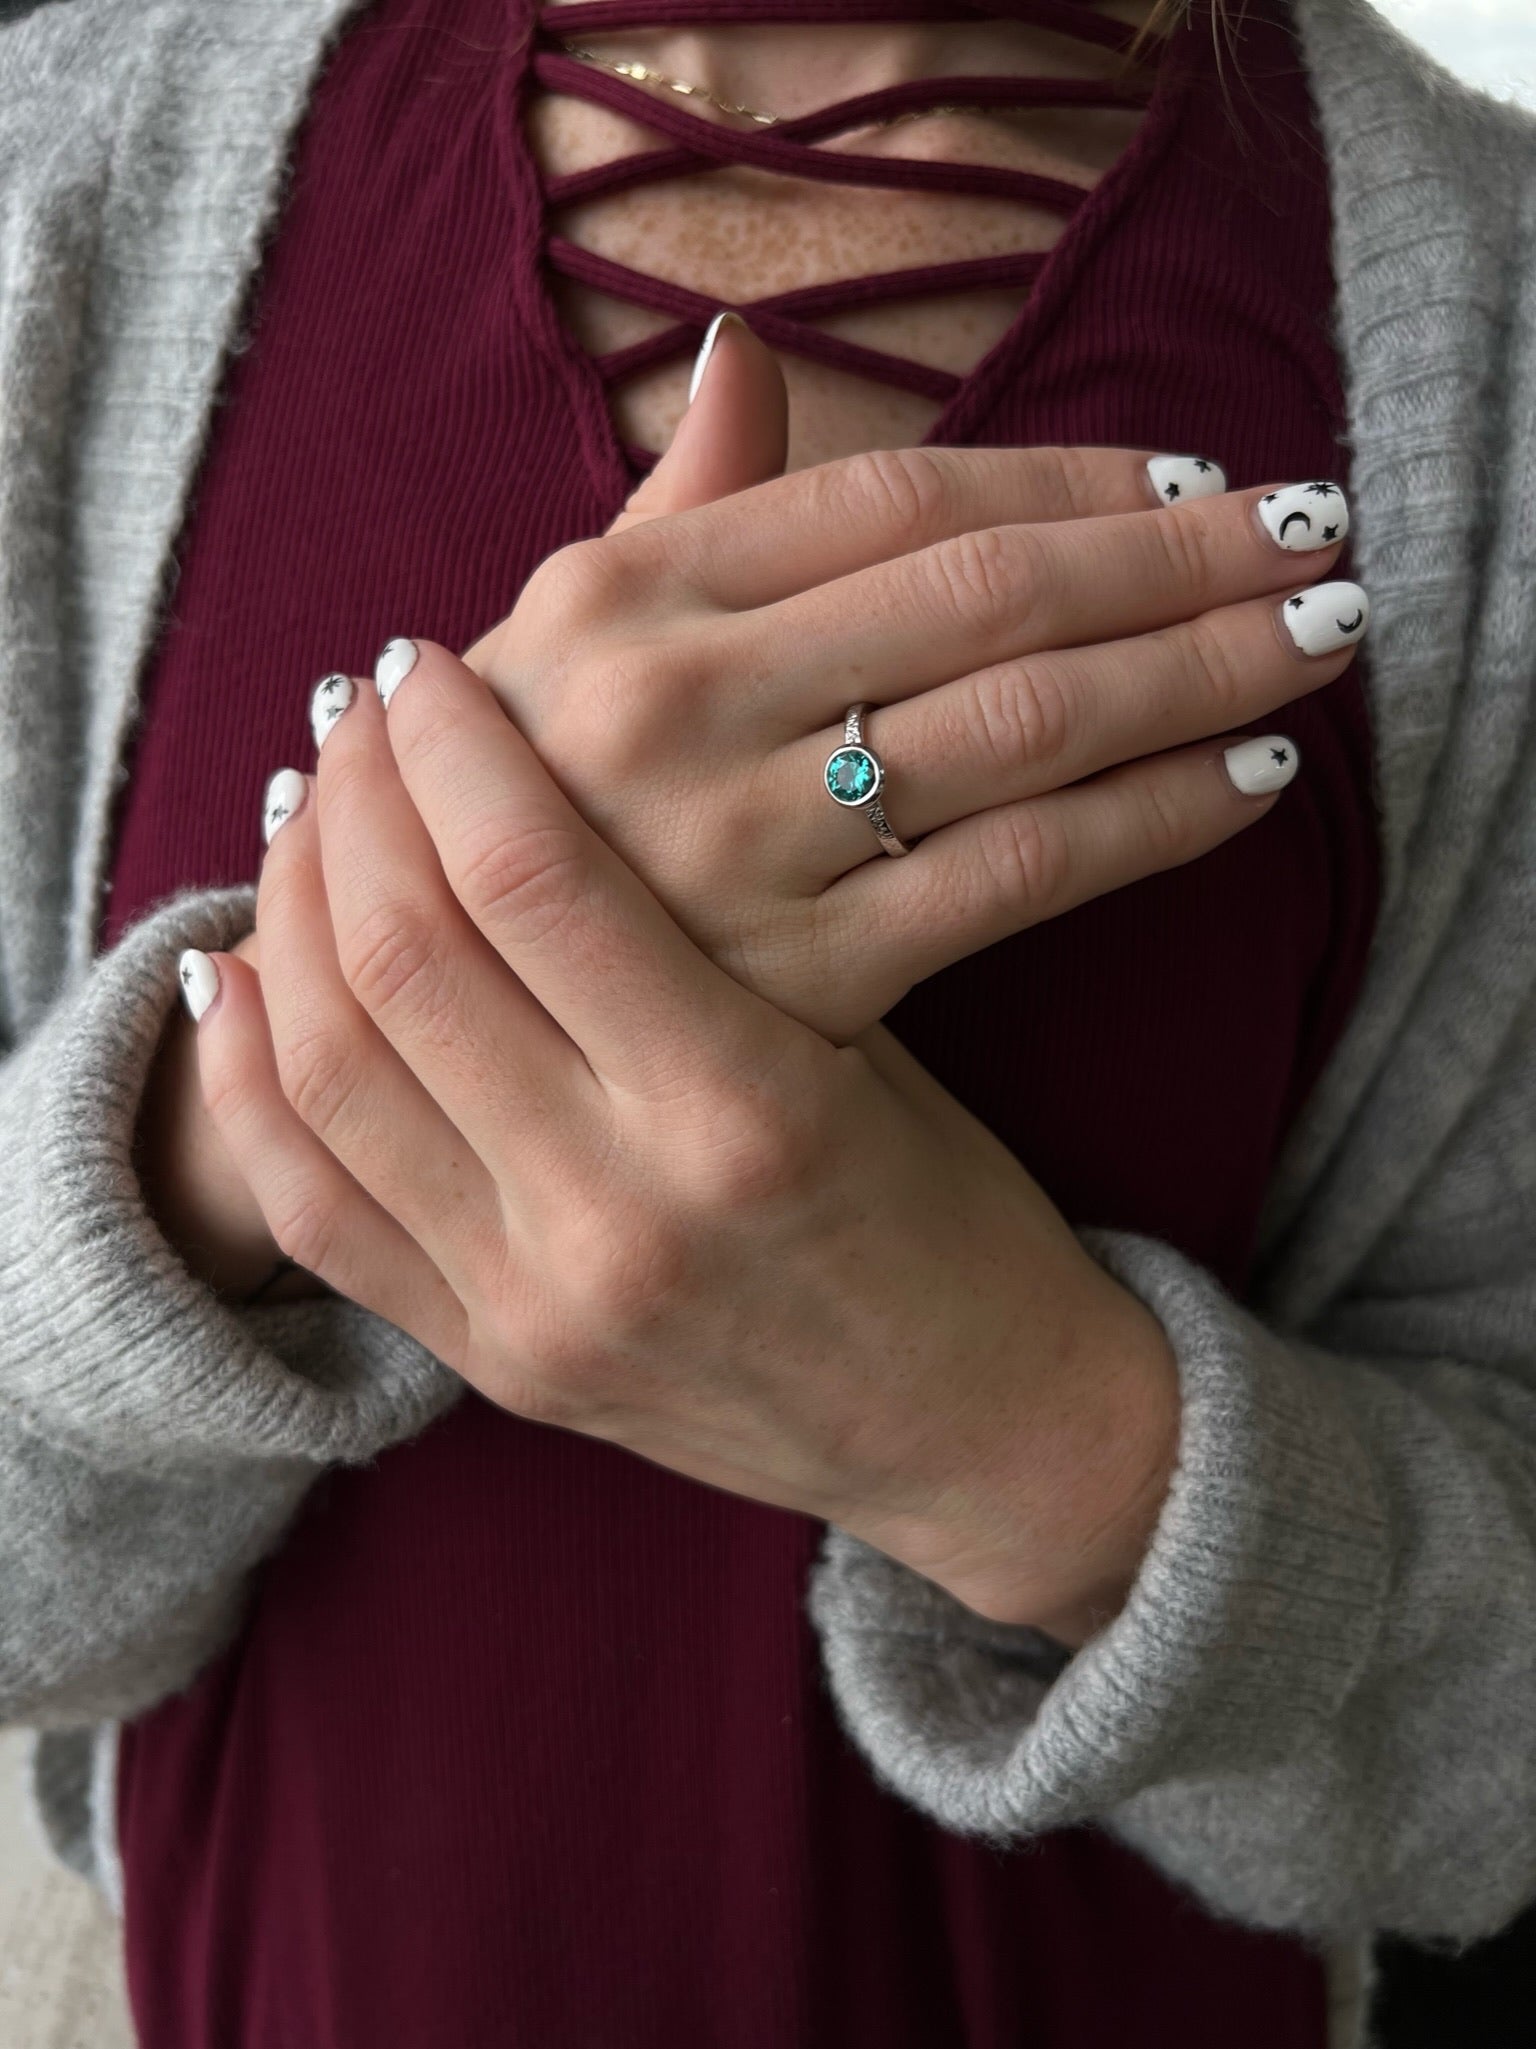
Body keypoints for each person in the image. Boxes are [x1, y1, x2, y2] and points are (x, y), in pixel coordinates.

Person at [0, 0, 1532, 2043]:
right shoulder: (61, 170)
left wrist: (1024, 1436)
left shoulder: (1496, 328)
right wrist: (245, 1112)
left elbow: (1490, 1790)